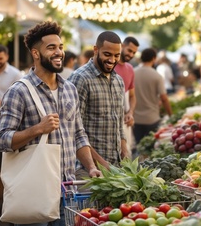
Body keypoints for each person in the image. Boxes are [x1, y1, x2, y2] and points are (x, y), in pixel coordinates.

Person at [0, 21, 101, 226]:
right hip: (34, 187)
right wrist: (37, 129)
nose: (58, 52)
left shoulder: (69, 89)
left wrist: (90, 167)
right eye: (51, 47)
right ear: (35, 53)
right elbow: (3, 139)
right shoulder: (18, 92)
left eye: (60, 47)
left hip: (65, 189)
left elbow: (79, 135)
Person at [68, 31, 128, 169]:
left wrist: (125, 154)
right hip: (87, 170)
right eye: (107, 54)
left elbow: (119, 125)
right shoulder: (80, 78)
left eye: (116, 55)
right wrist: (101, 164)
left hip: (115, 167)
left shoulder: (118, 81)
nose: (112, 60)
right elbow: (73, 130)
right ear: (96, 50)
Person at [133, 48, 172, 144]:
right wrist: (171, 115)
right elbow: (164, 98)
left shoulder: (132, 73)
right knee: (151, 149)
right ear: (154, 58)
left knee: (139, 147)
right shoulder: (157, 76)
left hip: (136, 119)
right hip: (152, 118)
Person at [114, 36, 139, 157]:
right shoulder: (110, 66)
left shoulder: (130, 69)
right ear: (122, 46)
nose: (131, 54)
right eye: (129, 50)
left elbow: (132, 96)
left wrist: (130, 112)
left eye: (134, 52)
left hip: (125, 123)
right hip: (111, 124)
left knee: (126, 156)